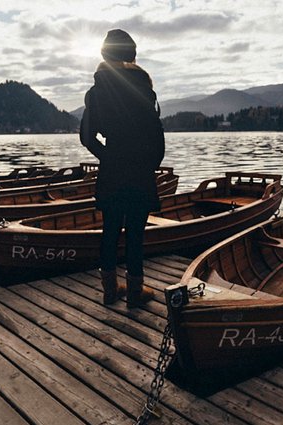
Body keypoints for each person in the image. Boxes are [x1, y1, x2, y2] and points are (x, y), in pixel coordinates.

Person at [79, 29, 165, 308]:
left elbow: (86, 136)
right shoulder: (145, 88)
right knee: (136, 235)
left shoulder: (95, 92)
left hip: (113, 170)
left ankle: (109, 291)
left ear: (105, 54)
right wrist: (149, 163)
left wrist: (108, 155)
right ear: (132, 54)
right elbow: (156, 135)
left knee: (110, 231)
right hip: (140, 169)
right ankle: (135, 293)